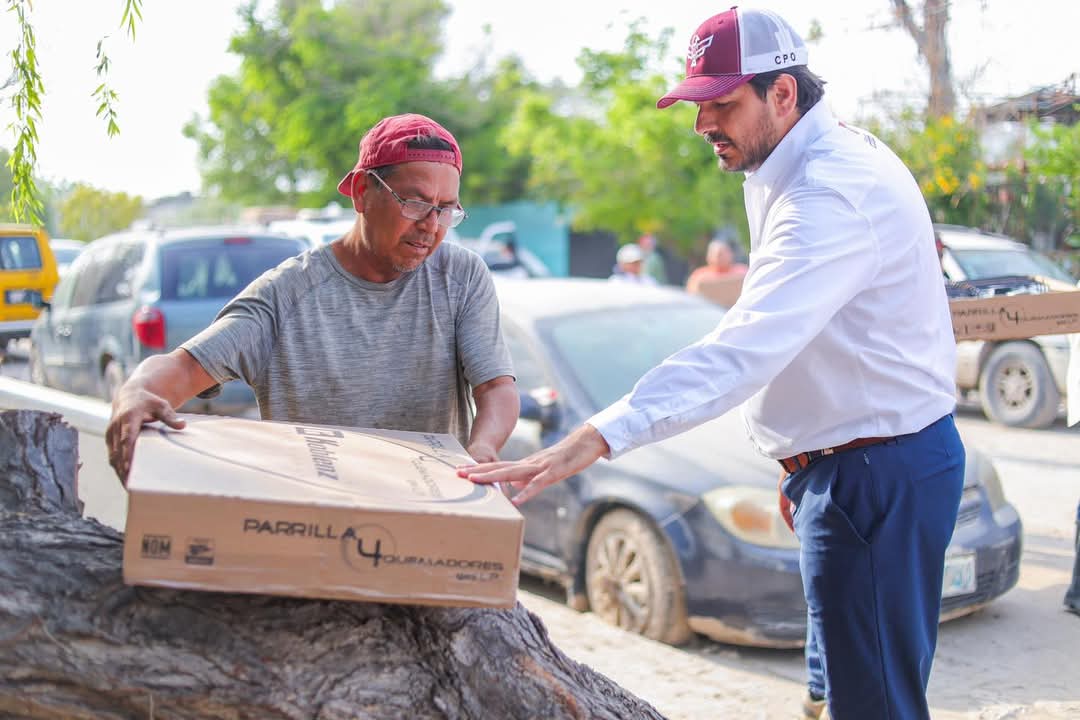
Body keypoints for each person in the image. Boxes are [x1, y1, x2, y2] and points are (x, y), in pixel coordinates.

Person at [458, 8, 961, 720]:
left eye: (721, 104)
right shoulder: (797, 162)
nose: (702, 124)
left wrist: (594, 437)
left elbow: (743, 349)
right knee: (847, 691)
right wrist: (801, 460)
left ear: (782, 93)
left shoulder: (828, 191)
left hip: (871, 475)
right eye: (698, 104)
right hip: (851, 465)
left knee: (874, 706)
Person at [107, 113, 519, 481]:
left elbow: (495, 388)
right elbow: (182, 369)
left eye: (445, 209)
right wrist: (135, 391)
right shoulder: (287, 295)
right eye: (414, 203)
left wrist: (483, 448)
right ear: (362, 192)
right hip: (315, 519)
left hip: (431, 511)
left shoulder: (460, 277)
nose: (431, 225)